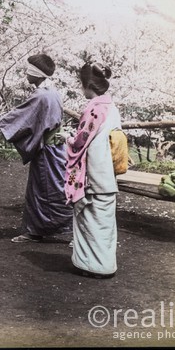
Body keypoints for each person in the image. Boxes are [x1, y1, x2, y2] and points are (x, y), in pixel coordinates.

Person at [0, 54, 72, 242]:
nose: (26, 73)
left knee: (50, 190)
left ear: (37, 74)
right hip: (54, 150)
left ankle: (70, 229)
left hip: (48, 151)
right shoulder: (53, 92)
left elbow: (19, 115)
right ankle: (36, 230)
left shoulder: (41, 95)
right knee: (43, 190)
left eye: (29, 70)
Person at [65, 62, 121, 279]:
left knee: (90, 215)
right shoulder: (112, 107)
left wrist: (68, 138)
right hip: (108, 169)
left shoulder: (95, 109)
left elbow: (81, 139)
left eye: (82, 84)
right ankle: (105, 264)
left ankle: (92, 265)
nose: (81, 89)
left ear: (88, 84)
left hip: (93, 169)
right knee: (104, 219)